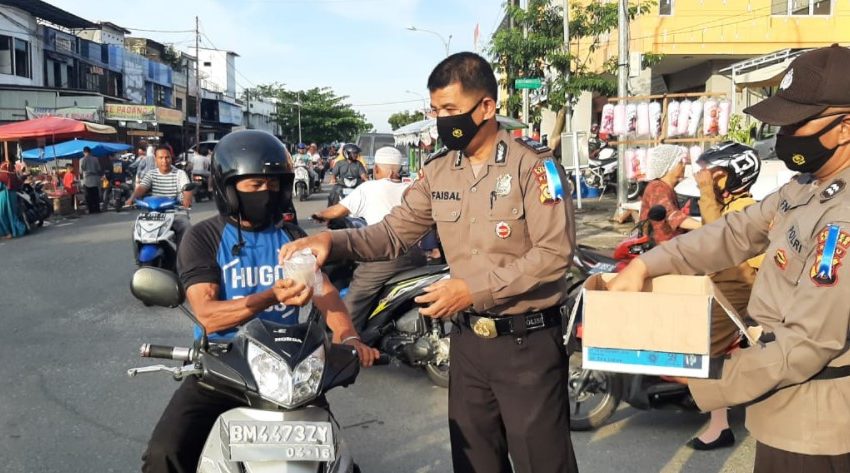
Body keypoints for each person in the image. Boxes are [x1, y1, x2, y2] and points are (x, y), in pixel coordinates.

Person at [280, 52, 578, 473]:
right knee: (474, 462)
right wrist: (333, 241)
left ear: (487, 107)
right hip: (469, 343)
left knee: (542, 464)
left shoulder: (534, 167)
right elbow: (392, 234)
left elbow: (553, 255)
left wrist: (473, 289)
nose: (442, 120)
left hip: (526, 346)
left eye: (451, 110)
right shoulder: (439, 172)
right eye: (436, 110)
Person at [608, 45, 850, 472]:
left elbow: (809, 342)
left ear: (844, 126)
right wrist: (647, 264)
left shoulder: (843, 216)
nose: (786, 135)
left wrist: (713, 375)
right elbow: (736, 232)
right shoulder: (805, 186)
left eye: (797, 123)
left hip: (815, 426)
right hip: (781, 409)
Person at [141, 130, 379, 473]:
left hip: (288, 370)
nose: (266, 194)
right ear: (227, 189)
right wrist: (270, 296)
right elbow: (207, 317)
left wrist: (349, 336)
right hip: (223, 368)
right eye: (254, 186)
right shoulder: (204, 238)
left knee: (339, 462)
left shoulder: (291, 237)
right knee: (164, 454)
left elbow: (325, 292)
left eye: (273, 185)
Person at [684, 141, 764, 451]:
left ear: (735, 177)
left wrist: (705, 191)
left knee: (704, 346)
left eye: (712, 175)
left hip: (740, 286)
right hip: (727, 284)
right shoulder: (732, 207)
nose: (704, 179)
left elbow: (718, 239)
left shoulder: (744, 208)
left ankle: (719, 427)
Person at [312, 147, 426, 330]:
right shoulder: (410, 187)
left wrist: (319, 214)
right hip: (417, 255)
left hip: (384, 256)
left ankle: (343, 349)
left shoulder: (369, 188)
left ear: (379, 170)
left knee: (350, 309)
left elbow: (337, 211)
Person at [126, 145, 193, 245]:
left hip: (175, 213)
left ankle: (182, 258)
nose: (164, 161)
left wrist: (186, 200)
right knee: (135, 228)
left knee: (185, 227)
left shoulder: (180, 173)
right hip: (154, 215)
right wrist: (131, 199)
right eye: (161, 158)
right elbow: (141, 188)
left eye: (167, 157)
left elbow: (187, 188)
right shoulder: (151, 174)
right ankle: (138, 259)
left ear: (171, 158)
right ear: (155, 159)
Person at [639, 144, 700, 243]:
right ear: (669, 166)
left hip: (669, 243)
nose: (683, 165)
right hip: (658, 246)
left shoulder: (666, 187)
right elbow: (672, 215)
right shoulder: (657, 188)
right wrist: (704, 226)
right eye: (680, 162)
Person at [79, 146, 102, 214]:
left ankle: (91, 210)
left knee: (88, 196)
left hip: (86, 180)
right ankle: (97, 209)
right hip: (95, 179)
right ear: (90, 152)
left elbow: (80, 171)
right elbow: (99, 169)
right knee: (95, 195)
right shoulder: (95, 159)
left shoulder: (82, 160)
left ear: (84, 152)